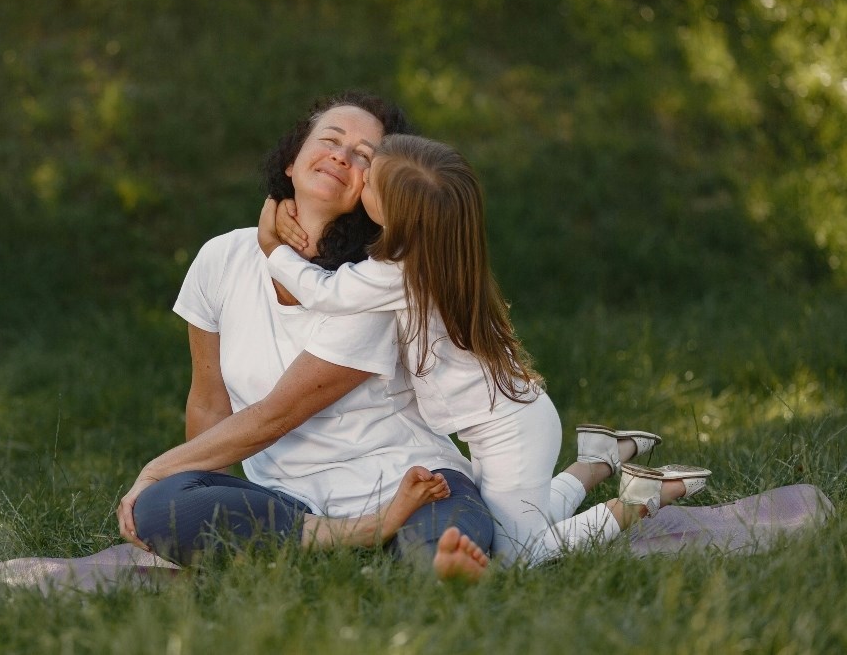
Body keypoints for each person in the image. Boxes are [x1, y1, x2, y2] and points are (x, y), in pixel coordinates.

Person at [258, 134, 712, 567]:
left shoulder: (402, 272)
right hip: (512, 424)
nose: (360, 180)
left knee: (520, 557)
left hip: (509, 436)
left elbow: (327, 293)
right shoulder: (441, 257)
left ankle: (640, 500)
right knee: (513, 522)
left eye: (370, 180)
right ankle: (597, 461)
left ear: (398, 214)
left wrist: (273, 247)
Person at [117, 93, 493, 580]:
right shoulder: (222, 258)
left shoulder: (374, 282)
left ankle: (399, 551)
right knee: (163, 508)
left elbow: (276, 416)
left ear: (376, 190)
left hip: (415, 483)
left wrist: (155, 468)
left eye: (363, 156)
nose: (341, 155)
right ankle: (359, 536)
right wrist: (192, 487)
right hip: (289, 502)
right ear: (292, 162)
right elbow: (209, 404)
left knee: (434, 554)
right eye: (330, 140)